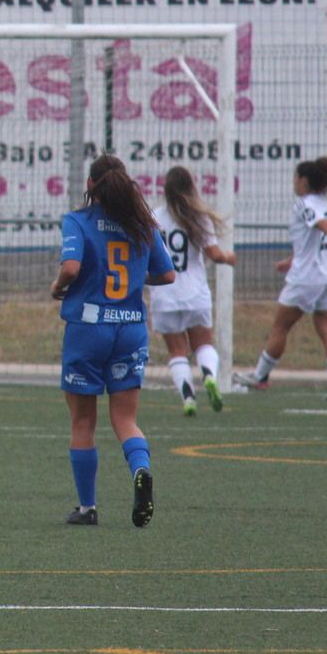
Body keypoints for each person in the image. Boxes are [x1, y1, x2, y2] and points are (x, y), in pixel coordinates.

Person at [51, 154, 175, 528]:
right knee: (125, 418)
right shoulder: (142, 224)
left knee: (83, 421)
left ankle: (87, 507)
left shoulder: (78, 220)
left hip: (88, 328)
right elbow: (167, 274)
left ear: (90, 185)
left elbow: (71, 268)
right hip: (130, 328)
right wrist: (135, 281)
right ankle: (140, 469)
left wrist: (58, 287)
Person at [234, 156, 327, 400]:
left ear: (304, 180)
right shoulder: (322, 202)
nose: (293, 182)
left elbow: (325, 228)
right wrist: (291, 259)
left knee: (280, 326)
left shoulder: (306, 204)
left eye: (295, 177)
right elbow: (311, 239)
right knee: (325, 326)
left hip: (307, 278)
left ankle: (260, 377)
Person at [151, 166, 237, 416]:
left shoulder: (155, 216)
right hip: (195, 294)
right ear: (191, 188)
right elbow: (214, 255)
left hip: (164, 294)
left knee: (177, 351)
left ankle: (188, 397)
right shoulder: (199, 218)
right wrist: (228, 257)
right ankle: (209, 375)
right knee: (203, 345)